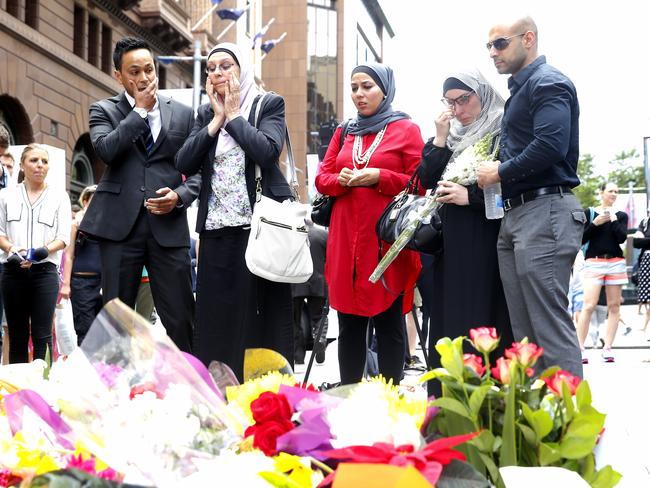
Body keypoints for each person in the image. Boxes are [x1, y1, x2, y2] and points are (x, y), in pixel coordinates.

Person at [175, 42, 294, 381]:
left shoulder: (266, 103)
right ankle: (218, 388)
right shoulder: (204, 112)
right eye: (211, 68)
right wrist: (216, 119)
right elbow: (184, 162)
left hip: (256, 231)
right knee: (215, 316)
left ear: (242, 70)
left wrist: (235, 115)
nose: (217, 74)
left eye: (226, 66)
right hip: (214, 231)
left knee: (257, 315)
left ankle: (262, 389)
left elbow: (267, 152)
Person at [477, 16, 584, 376]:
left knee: (548, 328)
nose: (493, 52)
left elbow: (551, 146)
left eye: (500, 44)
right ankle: (538, 425)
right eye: (489, 46)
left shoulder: (547, 82)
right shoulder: (523, 89)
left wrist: (499, 171)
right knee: (527, 338)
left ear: (528, 38)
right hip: (519, 213)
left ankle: (571, 429)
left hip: (546, 210)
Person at [80, 37, 200, 352]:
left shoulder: (184, 114)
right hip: (120, 229)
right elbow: (106, 150)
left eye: (149, 69)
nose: (144, 78)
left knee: (180, 317)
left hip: (168, 228)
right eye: (135, 71)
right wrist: (139, 113)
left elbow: (200, 171)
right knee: (115, 321)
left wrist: (180, 195)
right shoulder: (103, 110)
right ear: (118, 75)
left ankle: (186, 389)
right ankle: (114, 390)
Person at [315, 62, 424, 385]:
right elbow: (322, 178)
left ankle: (389, 401)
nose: (359, 94)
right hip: (346, 240)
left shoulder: (406, 129)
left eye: (367, 87)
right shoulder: (344, 131)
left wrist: (380, 176)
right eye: (354, 88)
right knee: (348, 324)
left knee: (389, 321)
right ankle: (349, 395)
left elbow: (419, 185)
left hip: (385, 242)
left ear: (385, 89)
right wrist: (342, 181)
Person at [419, 70, 513, 374]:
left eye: (464, 100)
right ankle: (447, 404)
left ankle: (486, 402)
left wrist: (469, 196)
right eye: (450, 103)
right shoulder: (451, 135)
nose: (458, 110)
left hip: (484, 236)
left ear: (481, 94)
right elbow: (427, 179)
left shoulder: (502, 128)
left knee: (480, 313)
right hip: (449, 244)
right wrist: (441, 136)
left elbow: (511, 185)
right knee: (449, 318)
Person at [0, 144, 71, 363]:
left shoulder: (60, 196)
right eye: (33, 160)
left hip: (45, 272)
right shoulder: (5, 195)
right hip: (12, 271)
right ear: (22, 165)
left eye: (44, 161)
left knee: (43, 335)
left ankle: (43, 389)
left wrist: (41, 252)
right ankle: (17, 391)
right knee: (17, 335)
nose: (40, 165)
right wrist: (13, 249)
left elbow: (63, 237)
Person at [577, 183, 628, 363]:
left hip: (616, 262)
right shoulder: (589, 212)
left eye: (616, 191)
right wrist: (594, 224)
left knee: (614, 306)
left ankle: (607, 348)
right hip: (594, 261)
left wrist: (613, 220)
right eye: (610, 191)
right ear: (601, 193)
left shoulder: (621, 215)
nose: (614, 194)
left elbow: (622, 237)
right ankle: (580, 348)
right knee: (589, 305)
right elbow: (580, 238)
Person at [60, 185, 102, 345]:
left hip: (103, 283)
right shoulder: (75, 225)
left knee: (103, 330)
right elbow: (69, 255)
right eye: (94, 200)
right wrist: (66, 284)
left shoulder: (108, 224)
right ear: (85, 201)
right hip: (81, 283)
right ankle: (87, 368)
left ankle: (101, 368)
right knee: (85, 330)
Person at [292, 221, 329, 365]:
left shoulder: (293, 235)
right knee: (319, 316)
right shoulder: (323, 235)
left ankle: (298, 356)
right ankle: (320, 338)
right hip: (318, 282)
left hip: (296, 282)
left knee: (295, 320)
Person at [633, 216, 650, 338]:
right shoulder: (645, 221)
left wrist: (644, 239)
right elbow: (636, 243)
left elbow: (640, 241)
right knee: (648, 300)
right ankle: (646, 329)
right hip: (646, 263)